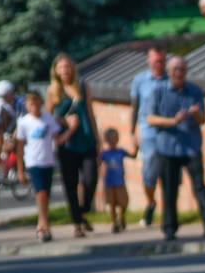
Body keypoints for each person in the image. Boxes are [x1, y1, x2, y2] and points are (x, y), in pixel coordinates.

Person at [146, 55, 205, 241]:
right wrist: (173, 121)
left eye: (182, 70)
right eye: (176, 70)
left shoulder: (194, 91)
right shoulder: (158, 90)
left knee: (200, 186)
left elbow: (203, 120)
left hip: (191, 146)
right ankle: (170, 228)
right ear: (169, 72)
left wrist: (195, 115)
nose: (179, 73)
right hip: (167, 148)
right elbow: (150, 118)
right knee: (169, 190)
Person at [46, 53, 99, 238]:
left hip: (86, 140)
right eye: (61, 68)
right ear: (56, 71)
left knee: (91, 179)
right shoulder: (53, 91)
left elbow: (90, 115)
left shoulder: (83, 87)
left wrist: (97, 141)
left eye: (67, 67)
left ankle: (84, 212)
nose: (65, 71)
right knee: (71, 184)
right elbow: (47, 119)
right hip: (67, 143)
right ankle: (77, 222)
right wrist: (64, 122)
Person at [15, 91, 69, 243]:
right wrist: (20, 170)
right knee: (41, 193)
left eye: (37, 104)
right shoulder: (24, 122)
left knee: (46, 196)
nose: (34, 107)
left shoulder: (48, 119)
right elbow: (20, 147)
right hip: (33, 161)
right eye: (31, 104)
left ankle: (40, 226)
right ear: (27, 106)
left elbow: (58, 139)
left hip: (48, 161)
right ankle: (46, 227)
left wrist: (72, 130)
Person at [130, 44, 168, 227]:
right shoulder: (140, 80)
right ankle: (151, 202)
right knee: (149, 171)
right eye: (155, 61)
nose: (158, 64)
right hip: (149, 132)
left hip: (169, 133)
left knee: (169, 172)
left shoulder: (171, 79)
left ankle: (168, 212)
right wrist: (131, 133)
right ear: (148, 60)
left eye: (161, 61)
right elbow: (134, 107)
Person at [99, 127, 138, 233]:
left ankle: (121, 216)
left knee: (124, 202)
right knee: (111, 204)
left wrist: (136, 146)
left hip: (120, 182)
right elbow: (97, 163)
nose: (113, 141)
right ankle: (114, 223)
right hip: (109, 182)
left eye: (115, 138)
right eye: (110, 138)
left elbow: (133, 155)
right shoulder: (104, 153)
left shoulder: (121, 151)